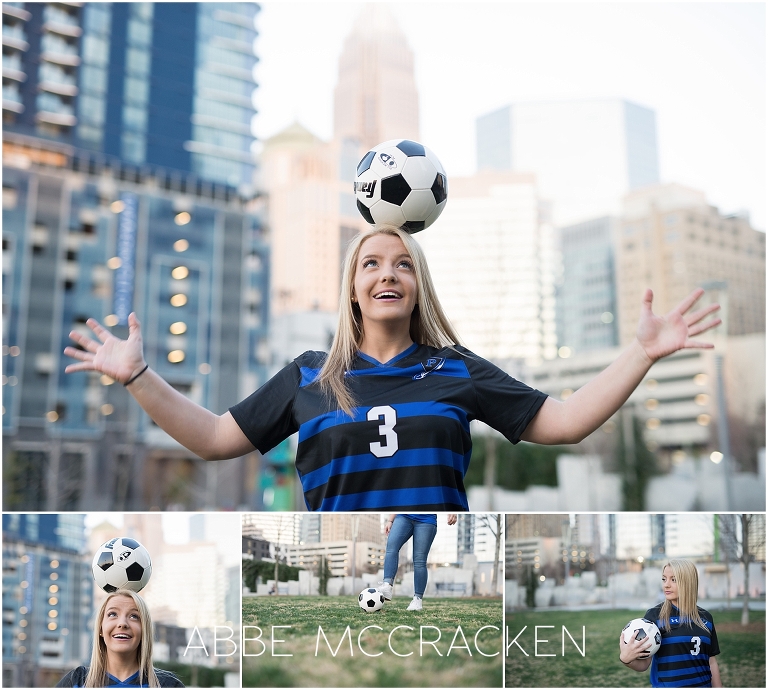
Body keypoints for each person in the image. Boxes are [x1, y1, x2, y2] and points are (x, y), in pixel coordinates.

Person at [65, 224, 721, 511]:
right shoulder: (307, 377)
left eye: (403, 263)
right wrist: (137, 377)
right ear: (352, 286)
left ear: (418, 285)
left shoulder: (456, 369)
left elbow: (567, 420)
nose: (388, 273)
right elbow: (212, 439)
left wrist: (642, 353)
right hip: (335, 577)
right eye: (371, 263)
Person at [619, 559, 722, 687]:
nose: (666, 585)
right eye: (664, 579)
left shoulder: (706, 618)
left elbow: (711, 661)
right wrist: (626, 659)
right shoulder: (654, 616)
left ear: (688, 582)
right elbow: (644, 664)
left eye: (673, 580)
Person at [57, 589, 184, 688]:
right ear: (100, 628)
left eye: (134, 616)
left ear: (144, 630)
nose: (122, 623)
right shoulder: (76, 682)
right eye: (113, 614)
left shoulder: (168, 685)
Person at [377, 513, 457, 610]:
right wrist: (390, 520)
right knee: (391, 548)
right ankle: (387, 585)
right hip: (404, 515)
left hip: (427, 519)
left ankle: (417, 600)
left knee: (419, 560)